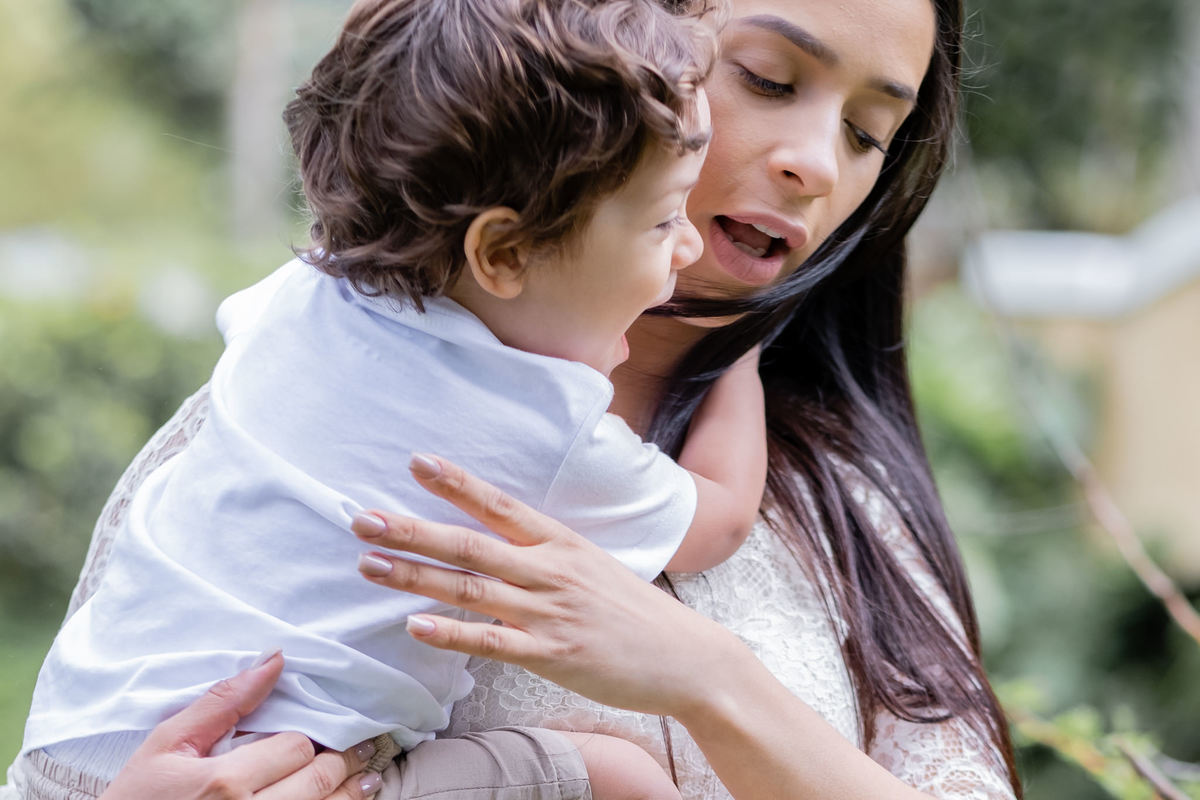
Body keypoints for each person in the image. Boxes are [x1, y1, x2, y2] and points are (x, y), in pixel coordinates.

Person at [6, 0, 1027, 797]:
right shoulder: (277, 425)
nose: (814, 163)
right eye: (766, 77)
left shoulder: (845, 500)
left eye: (866, 131)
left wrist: (712, 677)